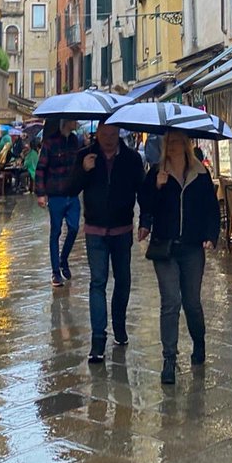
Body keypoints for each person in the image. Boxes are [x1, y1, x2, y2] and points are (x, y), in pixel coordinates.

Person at [138, 131, 221, 384]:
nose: (172, 146)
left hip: (193, 247)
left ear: (186, 145)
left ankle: (199, 343)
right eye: (169, 142)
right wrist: (157, 187)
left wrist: (211, 235)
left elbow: (211, 208)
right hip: (165, 247)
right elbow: (145, 205)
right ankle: (169, 359)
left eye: (177, 142)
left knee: (192, 302)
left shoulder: (200, 174)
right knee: (171, 301)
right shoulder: (156, 172)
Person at [68, 122, 144, 363]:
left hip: (122, 229)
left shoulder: (132, 159)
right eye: (105, 134)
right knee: (97, 283)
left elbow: (142, 191)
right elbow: (71, 188)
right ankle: (98, 339)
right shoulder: (85, 156)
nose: (109, 138)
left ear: (119, 133)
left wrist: (146, 221)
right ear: (97, 133)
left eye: (113, 134)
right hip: (95, 230)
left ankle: (119, 326)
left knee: (123, 280)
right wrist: (83, 170)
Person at [35, 118, 81, 287]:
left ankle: (64, 259)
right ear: (66, 122)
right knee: (55, 232)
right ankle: (55, 272)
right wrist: (41, 194)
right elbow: (41, 169)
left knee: (74, 228)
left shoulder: (75, 141)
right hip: (56, 195)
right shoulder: (50, 143)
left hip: (72, 194)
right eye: (73, 119)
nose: (76, 122)